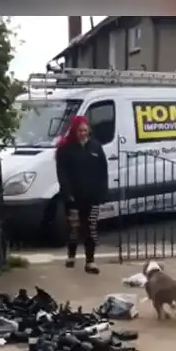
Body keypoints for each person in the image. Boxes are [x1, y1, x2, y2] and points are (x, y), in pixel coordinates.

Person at [55, 115, 108, 274]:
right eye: (80, 130)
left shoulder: (96, 147)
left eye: (85, 130)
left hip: (92, 196)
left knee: (91, 228)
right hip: (73, 196)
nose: (83, 133)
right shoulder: (65, 149)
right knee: (74, 228)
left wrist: (102, 192)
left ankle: (90, 261)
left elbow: (103, 171)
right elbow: (62, 173)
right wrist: (67, 193)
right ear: (74, 131)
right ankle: (71, 255)